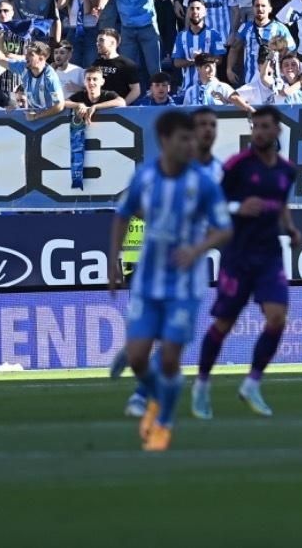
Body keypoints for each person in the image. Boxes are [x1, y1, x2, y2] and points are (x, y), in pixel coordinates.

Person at [107, 110, 232, 452]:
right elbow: (122, 215)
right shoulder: (145, 177)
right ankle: (157, 395)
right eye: (184, 138)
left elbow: (224, 228)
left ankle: (163, 423)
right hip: (147, 282)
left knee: (169, 360)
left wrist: (198, 249)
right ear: (165, 141)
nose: (191, 143)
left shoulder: (204, 183)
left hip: (184, 285)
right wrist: (113, 261)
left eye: (193, 138)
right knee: (137, 359)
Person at [187, 105, 301, 420]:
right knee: (224, 325)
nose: (260, 132)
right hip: (237, 255)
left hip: (269, 255)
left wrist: (290, 228)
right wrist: (238, 207)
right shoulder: (237, 166)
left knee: (277, 317)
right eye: (256, 127)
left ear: (277, 131)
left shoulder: (287, 170)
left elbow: (280, 205)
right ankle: (201, 385)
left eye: (266, 127)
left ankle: (252, 383)